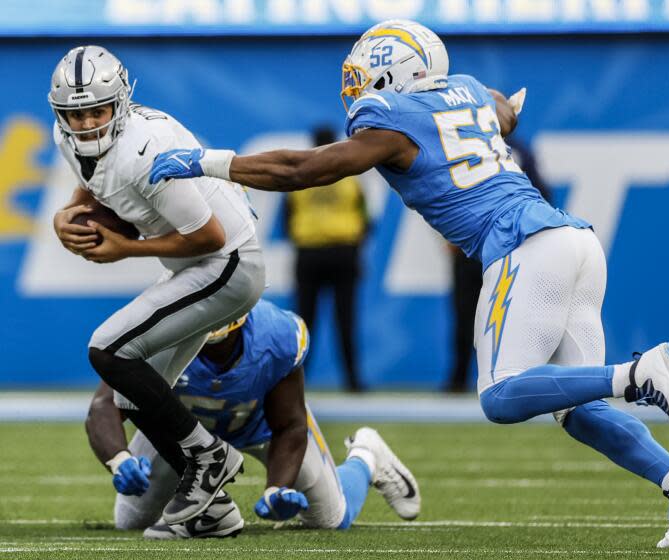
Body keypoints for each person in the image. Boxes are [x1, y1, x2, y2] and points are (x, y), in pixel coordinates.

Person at [148, 20, 669, 547]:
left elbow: (306, 169)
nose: (357, 91)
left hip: (522, 247)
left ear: (394, 74)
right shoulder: (471, 90)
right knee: (578, 408)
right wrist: (504, 113)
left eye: (365, 77)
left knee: (502, 396)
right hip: (573, 239)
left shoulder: (394, 123)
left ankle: (638, 373)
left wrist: (207, 161)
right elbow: (503, 110)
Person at [49, 45, 265, 527]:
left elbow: (208, 237)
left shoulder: (144, 149)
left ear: (120, 105)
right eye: (75, 114)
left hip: (229, 264)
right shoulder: (71, 138)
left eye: (97, 111)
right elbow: (95, 182)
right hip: (198, 267)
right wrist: (65, 216)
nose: (85, 125)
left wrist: (126, 250)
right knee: (129, 395)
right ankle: (218, 513)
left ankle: (209, 458)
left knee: (107, 349)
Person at [85, 299, 420, 538]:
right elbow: (104, 405)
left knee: (332, 518)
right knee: (130, 522)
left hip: (258, 426)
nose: (209, 341)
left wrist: (277, 488)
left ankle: (365, 456)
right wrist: (119, 458)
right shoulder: (159, 332)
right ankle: (203, 506)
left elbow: (289, 425)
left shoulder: (275, 335)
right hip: (178, 438)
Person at [444, 137, 551, 393]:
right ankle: (461, 379)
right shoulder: (509, 150)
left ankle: (510, 378)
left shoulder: (504, 150)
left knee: (507, 317)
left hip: (501, 250)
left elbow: (542, 195)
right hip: (480, 250)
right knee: (466, 317)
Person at [284, 126, 369, 392]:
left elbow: (287, 221)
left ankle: (296, 381)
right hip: (344, 252)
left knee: (304, 322)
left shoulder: (299, 176)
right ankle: (353, 382)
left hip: (309, 253)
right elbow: (365, 219)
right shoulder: (350, 176)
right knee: (346, 320)